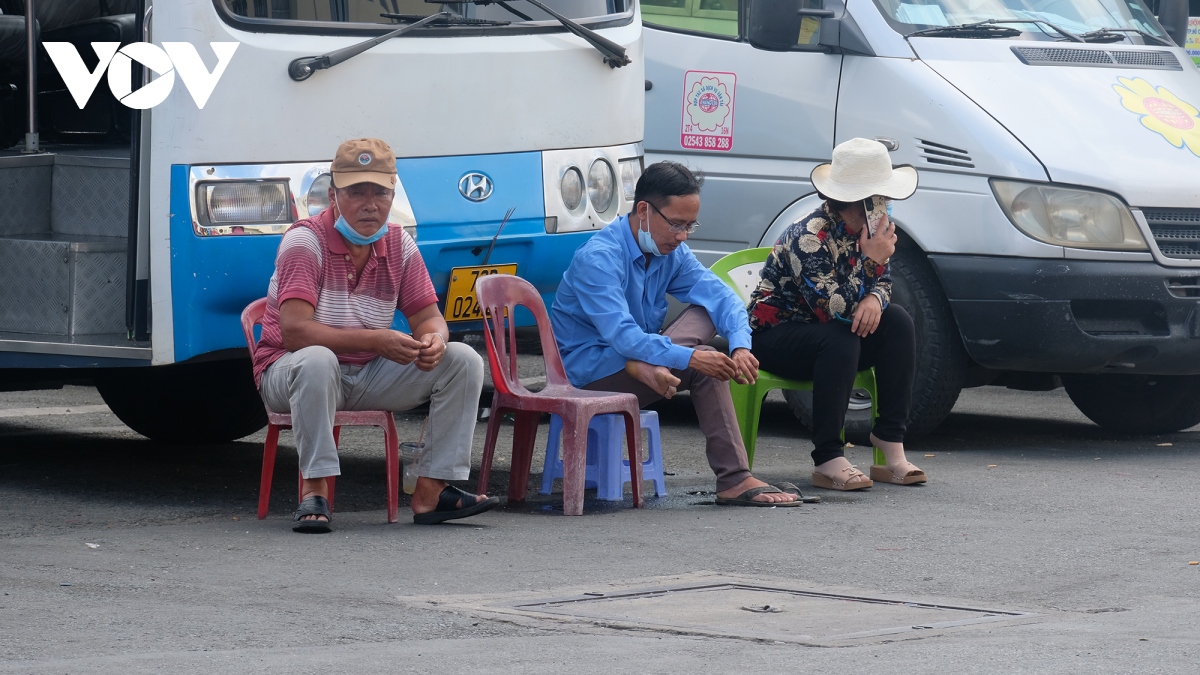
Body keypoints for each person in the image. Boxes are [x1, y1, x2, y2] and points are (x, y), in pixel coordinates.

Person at [252, 138, 498, 532]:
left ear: (392, 194)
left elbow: (430, 319)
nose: (370, 204)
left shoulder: (400, 244)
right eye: (356, 192)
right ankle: (314, 489)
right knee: (318, 359)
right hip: (290, 373)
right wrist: (374, 340)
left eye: (380, 192)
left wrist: (434, 339)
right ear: (333, 195)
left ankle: (431, 491)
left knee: (463, 360)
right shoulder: (305, 242)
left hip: (365, 375)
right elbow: (296, 333)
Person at [552, 161, 810, 507]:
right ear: (643, 210)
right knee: (700, 361)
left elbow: (724, 298)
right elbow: (624, 338)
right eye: (676, 224)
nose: (683, 236)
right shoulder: (599, 259)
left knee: (708, 315)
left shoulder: (670, 253)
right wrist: (689, 356)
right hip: (591, 375)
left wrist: (740, 347)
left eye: (690, 226)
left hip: (647, 359)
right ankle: (733, 475)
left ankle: (733, 480)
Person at [747, 137, 927, 491]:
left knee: (898, 322)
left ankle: (890, 441)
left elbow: (884, 286)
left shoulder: (868, 234)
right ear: (862, 201)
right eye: (882, 199)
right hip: (776, 337)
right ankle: (828, 457)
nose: (887, 206)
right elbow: (833, 310)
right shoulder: (809, 237)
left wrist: (875, 298)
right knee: (839, 339)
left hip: (829, 335)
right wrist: (872, 261)